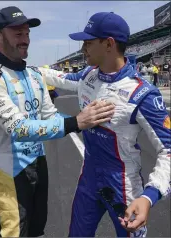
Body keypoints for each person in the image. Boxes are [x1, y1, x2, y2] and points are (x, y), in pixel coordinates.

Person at [0, 7, 115, 237]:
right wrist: (77, 122)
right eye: (18, 34)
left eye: (27, 34)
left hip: (38, 163)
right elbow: (18, 129)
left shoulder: (34, 74)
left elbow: (54, 111)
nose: (25, 40)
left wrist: (92, 121)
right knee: (13, 232)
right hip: (9, 171)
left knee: (36, 230)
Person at [40, 12, 171, 237]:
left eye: (89, 42)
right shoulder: (88, 75)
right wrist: (18, 67)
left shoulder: (142, 93)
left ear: (109, 44)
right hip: (89, 178)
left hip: (124, 186)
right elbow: (56, 77)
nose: (83, 48)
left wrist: (149, 196)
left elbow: (168, 150)